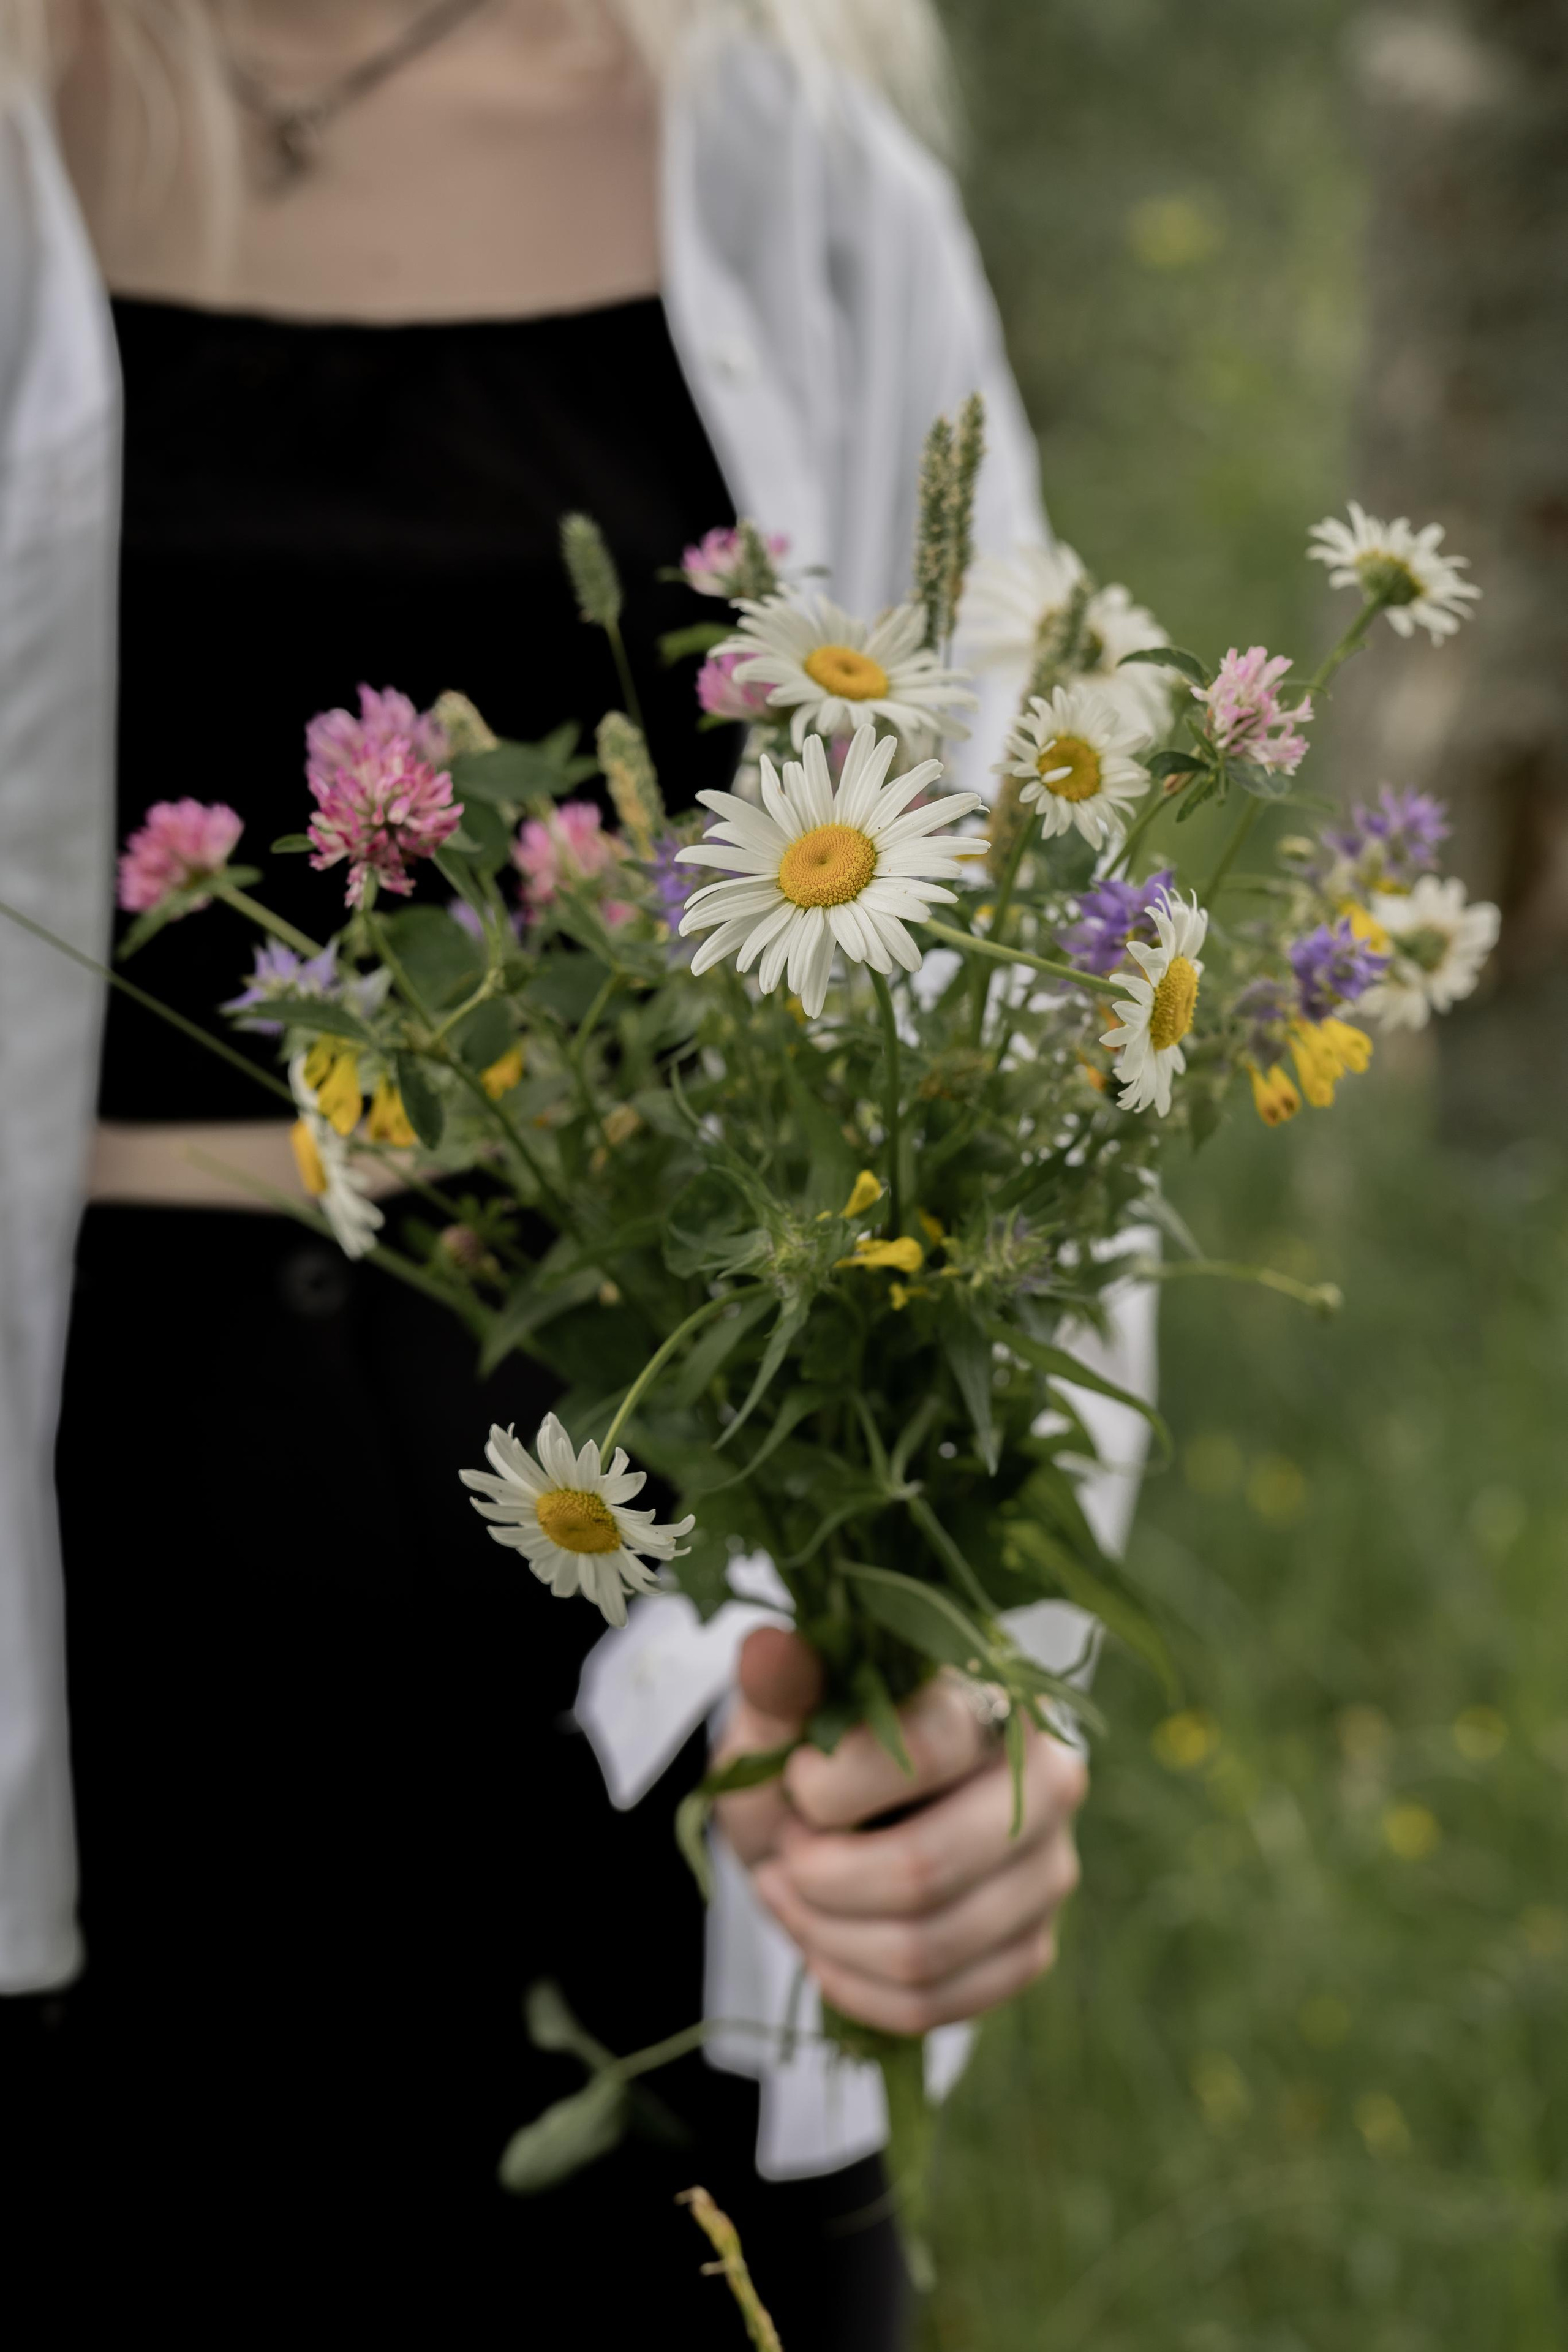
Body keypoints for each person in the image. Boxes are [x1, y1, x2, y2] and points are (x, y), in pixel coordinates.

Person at [0, 4, 1115, 2337]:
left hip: (659, 1628)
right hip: (82, 1661)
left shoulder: (790, 164)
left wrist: (979, 1689)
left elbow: (1008, 980)